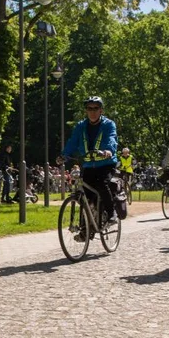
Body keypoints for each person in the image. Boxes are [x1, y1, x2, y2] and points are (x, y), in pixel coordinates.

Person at [61, 96, 118, 235]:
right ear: (86, 110)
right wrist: (64, 155)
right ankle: (86, 230)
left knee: (102, 184)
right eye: (89, 108)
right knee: (85, 196)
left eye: (95, 108)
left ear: (101, 110)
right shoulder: (81, 126)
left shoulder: (108, 124)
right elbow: (73, 141)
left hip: (106, 163)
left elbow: (111, 138)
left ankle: (111, 214)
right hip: (88, 165)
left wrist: (108, 151)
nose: (92, 112)